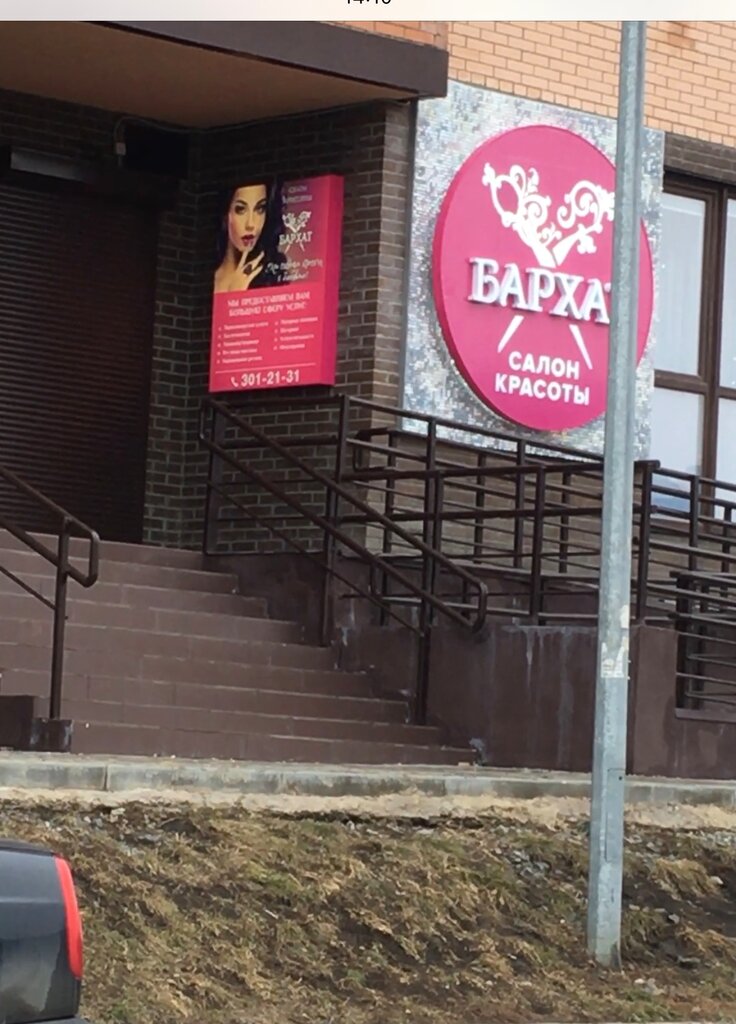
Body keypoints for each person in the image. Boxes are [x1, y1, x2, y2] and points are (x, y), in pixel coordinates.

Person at [213, 180, 286, 293]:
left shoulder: (271, 275)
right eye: (240, 209)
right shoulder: (209, 278)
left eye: (260, 209)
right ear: (225, 214)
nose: (251, 224)